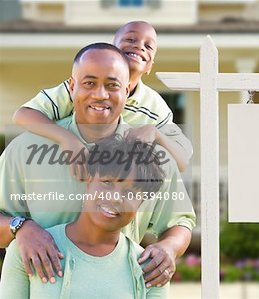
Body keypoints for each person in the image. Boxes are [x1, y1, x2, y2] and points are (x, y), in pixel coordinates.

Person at [0, 43, 195, 289]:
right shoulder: (25, 150)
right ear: (72, 87)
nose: (101, 95)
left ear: (127, 90)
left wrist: (169, 248)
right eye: (89, 83)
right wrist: (21, 228)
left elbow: (180, 222)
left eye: (112, 85)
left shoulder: (152, 157)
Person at [0, 136, 170, 299]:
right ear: (88, 182)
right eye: (107, 182)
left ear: (141, 203)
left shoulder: (151, 268)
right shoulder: (29, 250)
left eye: (130, 192)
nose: (115, 198)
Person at [13, 20, 192, 174]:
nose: (139, 46)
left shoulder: (154, 106)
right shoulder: (80, 89)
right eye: (130, 39)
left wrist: (156, 134)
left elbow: (182, 162)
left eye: (148, 46)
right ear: (112, 49)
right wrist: (67, 139)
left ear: (150, 66)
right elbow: (23, 115)